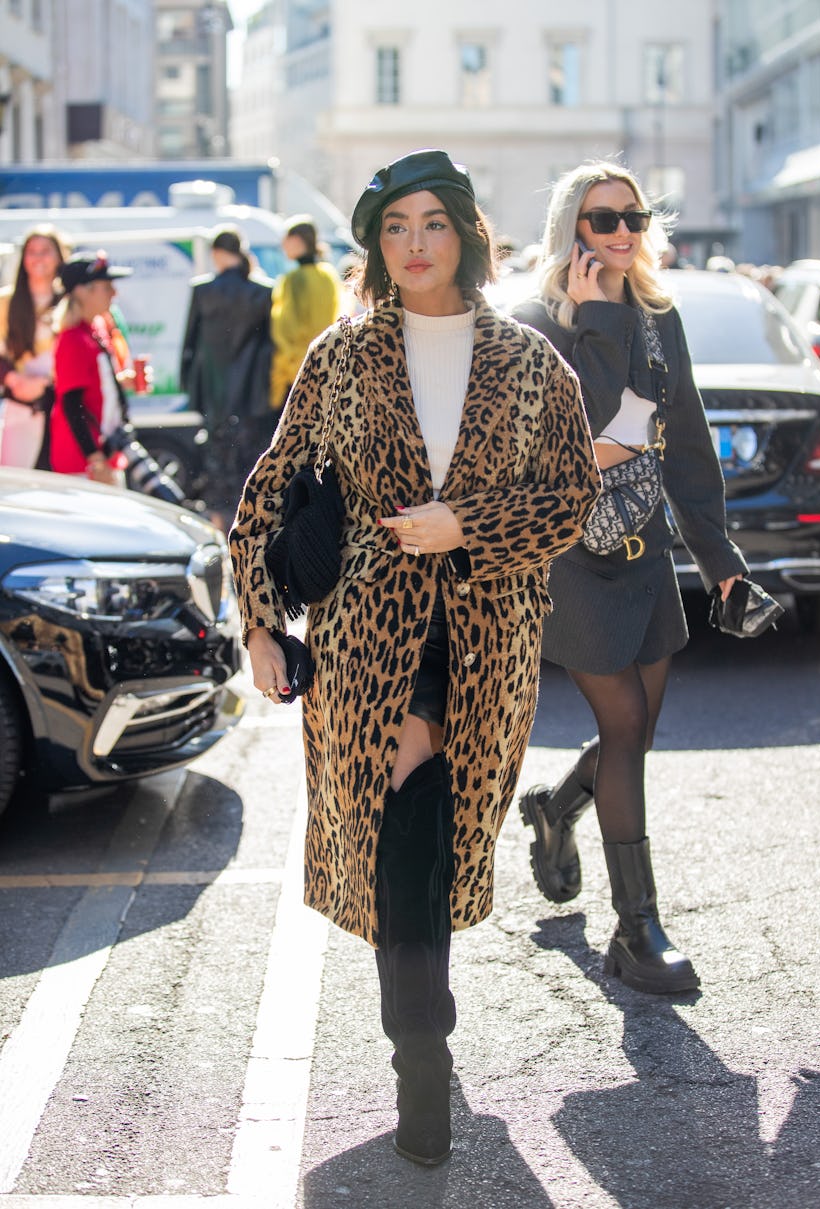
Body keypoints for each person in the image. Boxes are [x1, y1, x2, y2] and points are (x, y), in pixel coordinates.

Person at [229, 149, 601, 1165]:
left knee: (440, 841)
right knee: (400, 818)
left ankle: (421, 1019)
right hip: (366, 646)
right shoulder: (341, 358)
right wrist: (263, 623)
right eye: (394, 228)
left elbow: (572, 499)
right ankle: (421, 1061)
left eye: (433, 223)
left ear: (468, 235)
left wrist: (465, 525)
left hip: (487, 647)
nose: (414, 245)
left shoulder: (530, 364)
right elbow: (267, 496)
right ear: (375, 245)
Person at [512, 161, 748, 996]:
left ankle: (556, 807)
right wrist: (598, 315)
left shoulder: (657, 316)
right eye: (602, 218)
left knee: (637, 730)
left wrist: (721, 563)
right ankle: (636, 926)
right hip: (569, 556)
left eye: (632, 218)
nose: (620, 232)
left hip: (644, 547)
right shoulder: (536, 320)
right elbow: (577, 429)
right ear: (571, 229)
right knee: (626, 721)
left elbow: (682, 441)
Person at [180, 226, 274, 527]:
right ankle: (250, 526)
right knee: (249, 464)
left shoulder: (203, 290)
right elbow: (270, 347)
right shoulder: (263, 292)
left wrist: (189, 389)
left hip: (213, 394)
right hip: (252, 395)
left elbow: (189, 346)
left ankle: (220, 531)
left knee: (216, 467)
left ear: (217, 254)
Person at [49, 251, 134, 485]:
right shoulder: (73, 339)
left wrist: (122, 381)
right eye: (106, 286)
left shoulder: (95, 330)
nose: (114, 293)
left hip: (103, 457)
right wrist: (94, 458)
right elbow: (72, 404)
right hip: (83, 466)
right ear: (82, 291)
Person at [0, 225, 66, 469]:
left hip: (62, 407)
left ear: (59, 256)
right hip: (20, 406)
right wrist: (14, 381)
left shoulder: (70, 302)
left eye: (45, 251)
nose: (38, 258)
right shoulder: (6, 302)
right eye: (32, 251)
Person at [270, 214, 342, 411]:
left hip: (296, 371)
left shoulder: (293, 280)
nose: (283, 244)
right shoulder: (328, 275)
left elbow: (285, 330)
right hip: (327, 365)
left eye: (286, 238)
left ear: (297, 240)